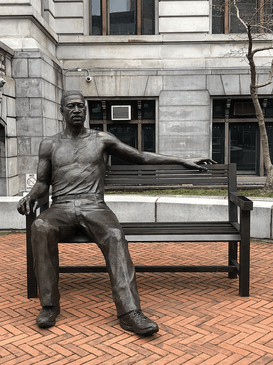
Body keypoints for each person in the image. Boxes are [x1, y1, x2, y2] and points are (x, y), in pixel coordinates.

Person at [17, 90, 214, 335]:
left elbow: (140, 157)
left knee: (115, 235)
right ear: (62, 111)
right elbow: (42, 183)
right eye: (71, 106)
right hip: (61, 207)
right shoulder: (50, 144)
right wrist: (30, 197)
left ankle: (130, 312)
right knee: (40, 227)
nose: (77, 110)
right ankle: (49, 305)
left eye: (81, 105)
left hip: (94, 206)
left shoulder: (102, 139)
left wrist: (182, 160)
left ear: (86, 110)